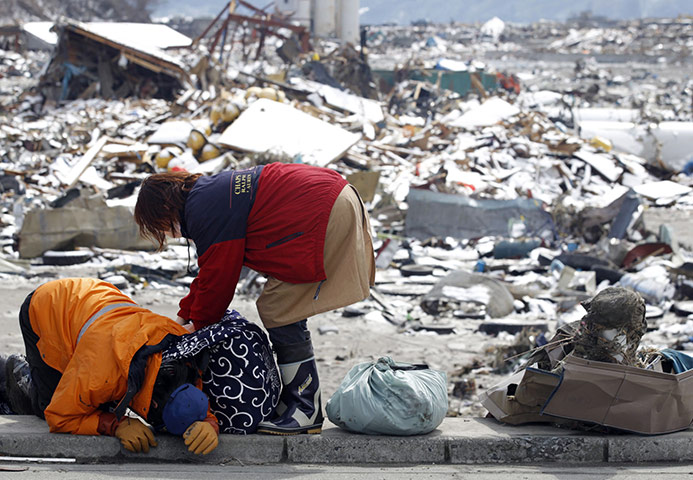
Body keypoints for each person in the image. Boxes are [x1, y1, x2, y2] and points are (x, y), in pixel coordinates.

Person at [134, 163, 376, 435]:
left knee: (279, 307)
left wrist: (196, 330)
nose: (168, 235)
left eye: (161, 228)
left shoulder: (203, 209)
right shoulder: (208, 195)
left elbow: (220, 280)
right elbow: (211, 270)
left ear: (165, 210)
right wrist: (181, 318)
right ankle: (295, 402)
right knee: (282, 304)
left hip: (322, 207)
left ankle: (305, 408)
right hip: (333, 194)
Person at [3, 277, 219, 455]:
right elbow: (60, 416)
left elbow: (189, 395)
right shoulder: (101, 372)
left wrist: (209, 423)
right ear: (153, 406)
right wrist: (116, 425)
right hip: (47, 305)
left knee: (97, 402)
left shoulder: (184, 356)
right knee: (49, 406)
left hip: (97, 300)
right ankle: (13, 371)